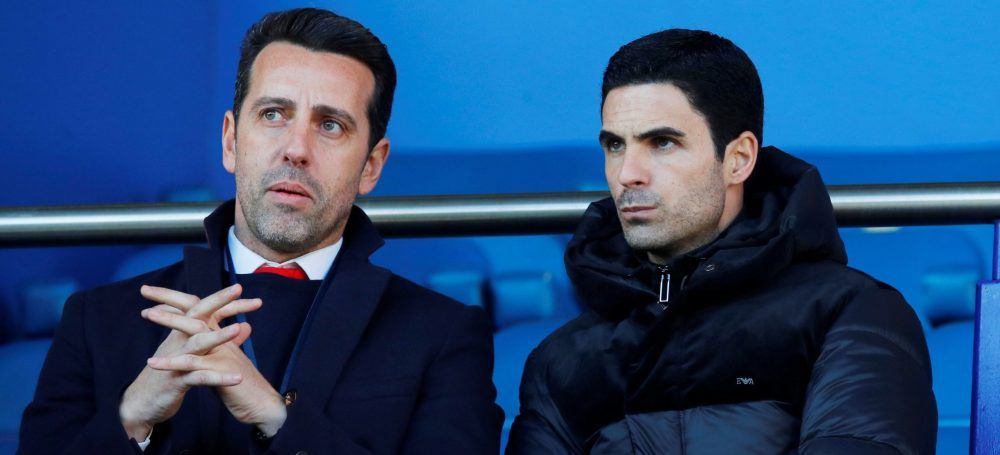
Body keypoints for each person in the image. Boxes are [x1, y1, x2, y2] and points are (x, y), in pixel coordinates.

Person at [20, 8, 501, 454]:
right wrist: (132, 417)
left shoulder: (444, 335)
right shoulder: (98, 320)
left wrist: (276, 417)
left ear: (371, 165)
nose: (296, 149)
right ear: (231, 141)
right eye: (273, 114)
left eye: (331, 125)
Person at [506, 29, 936, 454]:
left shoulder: (849, 313)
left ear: (739, 159)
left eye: (662, 143)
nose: (627, 174)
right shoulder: (560, 362)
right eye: (615, 145)